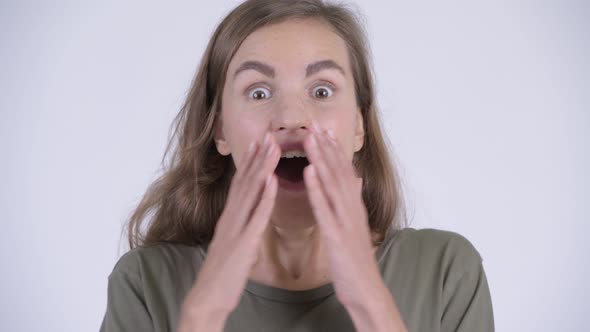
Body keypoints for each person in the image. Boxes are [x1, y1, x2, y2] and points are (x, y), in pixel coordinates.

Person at [99, 0, 495, 331]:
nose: (291, 117)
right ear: (220, 130)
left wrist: (369, 300)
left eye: (321, 90)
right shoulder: (145, 283)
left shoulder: (445, 272)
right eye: (258, 92)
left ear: (358, 127)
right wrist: (205, 312)